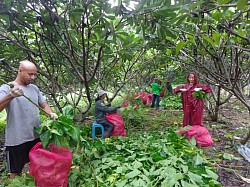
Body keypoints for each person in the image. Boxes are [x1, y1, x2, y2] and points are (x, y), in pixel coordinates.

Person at [0, 60, 58, 179]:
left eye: (34, 74)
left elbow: (43, 105)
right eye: (30, 74)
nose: (33, 77)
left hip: (35, 136)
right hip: (17, 139)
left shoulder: (34, 88)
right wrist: (11, 95)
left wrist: (51, 114)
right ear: (20, 71)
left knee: (37, 165)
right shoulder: (6, 88)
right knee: (15, 172)